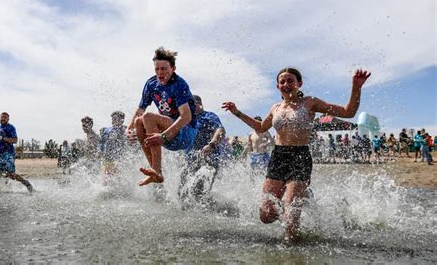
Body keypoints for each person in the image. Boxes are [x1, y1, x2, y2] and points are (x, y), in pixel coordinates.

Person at [222, 67, 370, 242]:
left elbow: (348, 112)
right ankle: (302, 196)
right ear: (278, 86)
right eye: (282, 81)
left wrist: (356, 86)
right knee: (266, 215)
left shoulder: (310, 102)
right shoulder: (275, 108)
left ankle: (292, 249)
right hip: (278, 157)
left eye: (290, 80)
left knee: (290, 217)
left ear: (299, 84)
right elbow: (261, 127)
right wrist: (237, 112)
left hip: (300, 157)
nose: (286, 84)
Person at [126, 47, 197, 186]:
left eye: (164, 69)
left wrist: (163, 136)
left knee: (148, 117)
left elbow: (186, 117)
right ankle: (155, 173)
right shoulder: (151, 84)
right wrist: (128, 129)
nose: (160, 73)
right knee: (138, 121)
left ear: (173, 69)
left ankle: (157, 170)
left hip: (186, 133)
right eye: (157, 69)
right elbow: (140, 110)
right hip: (167, 135)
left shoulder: (179, 84)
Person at [178, 95, 226, 201]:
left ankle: (206, 214)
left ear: (199, 104)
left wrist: (211, 144)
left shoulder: (209, 116)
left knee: (198, 191)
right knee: (181, 192)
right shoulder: (187, 119)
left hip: (209, 160)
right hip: (190, 160)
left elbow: (221, 130)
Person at [0, 112, 33, 192]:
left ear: (8, 119)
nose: (3, 118)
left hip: (8, 154)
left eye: (5, 117)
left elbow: (15, 140)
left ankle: (27, 183)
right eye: (1, 117)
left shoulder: (11, 127)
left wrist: (2, 138)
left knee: (11, 175)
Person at [99, 111, 127, 184]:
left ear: (122, 120)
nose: (113, 120)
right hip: (108, 156)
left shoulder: (125, 130)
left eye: (115, 118)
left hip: (120, 157)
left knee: (117, 176)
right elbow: (101, 142)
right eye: (112, 118)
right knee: (106, 177)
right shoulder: (107, 130)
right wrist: (100, 150)